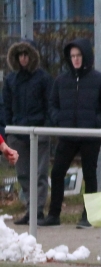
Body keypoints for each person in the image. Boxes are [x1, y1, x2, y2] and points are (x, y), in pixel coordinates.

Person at [45, 38, 101, 228]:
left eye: (79, 55)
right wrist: (59, 120)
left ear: (86, 56)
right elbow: (52, 104)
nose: (76, 59)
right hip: (67, 135)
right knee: (57, 172)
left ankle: (89, 216)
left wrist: (95, 122)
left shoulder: (99, 80)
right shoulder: (61, 80)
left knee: (90, 175)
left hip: (90, 137)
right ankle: (53, 214)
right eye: (73, 56)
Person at [2, 40, 52, 226]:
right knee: (23, 173)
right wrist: (9, 130)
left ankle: (37, 211)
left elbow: (50, 104)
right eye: (20, 55)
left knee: (40, 173)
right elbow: (6, 106)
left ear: (32, 56)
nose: (23, 58)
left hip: (39, 131)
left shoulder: (43, 78)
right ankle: (30, 208)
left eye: (26, 54)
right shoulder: (11, 80)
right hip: (18, 132)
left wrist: (46, 127)